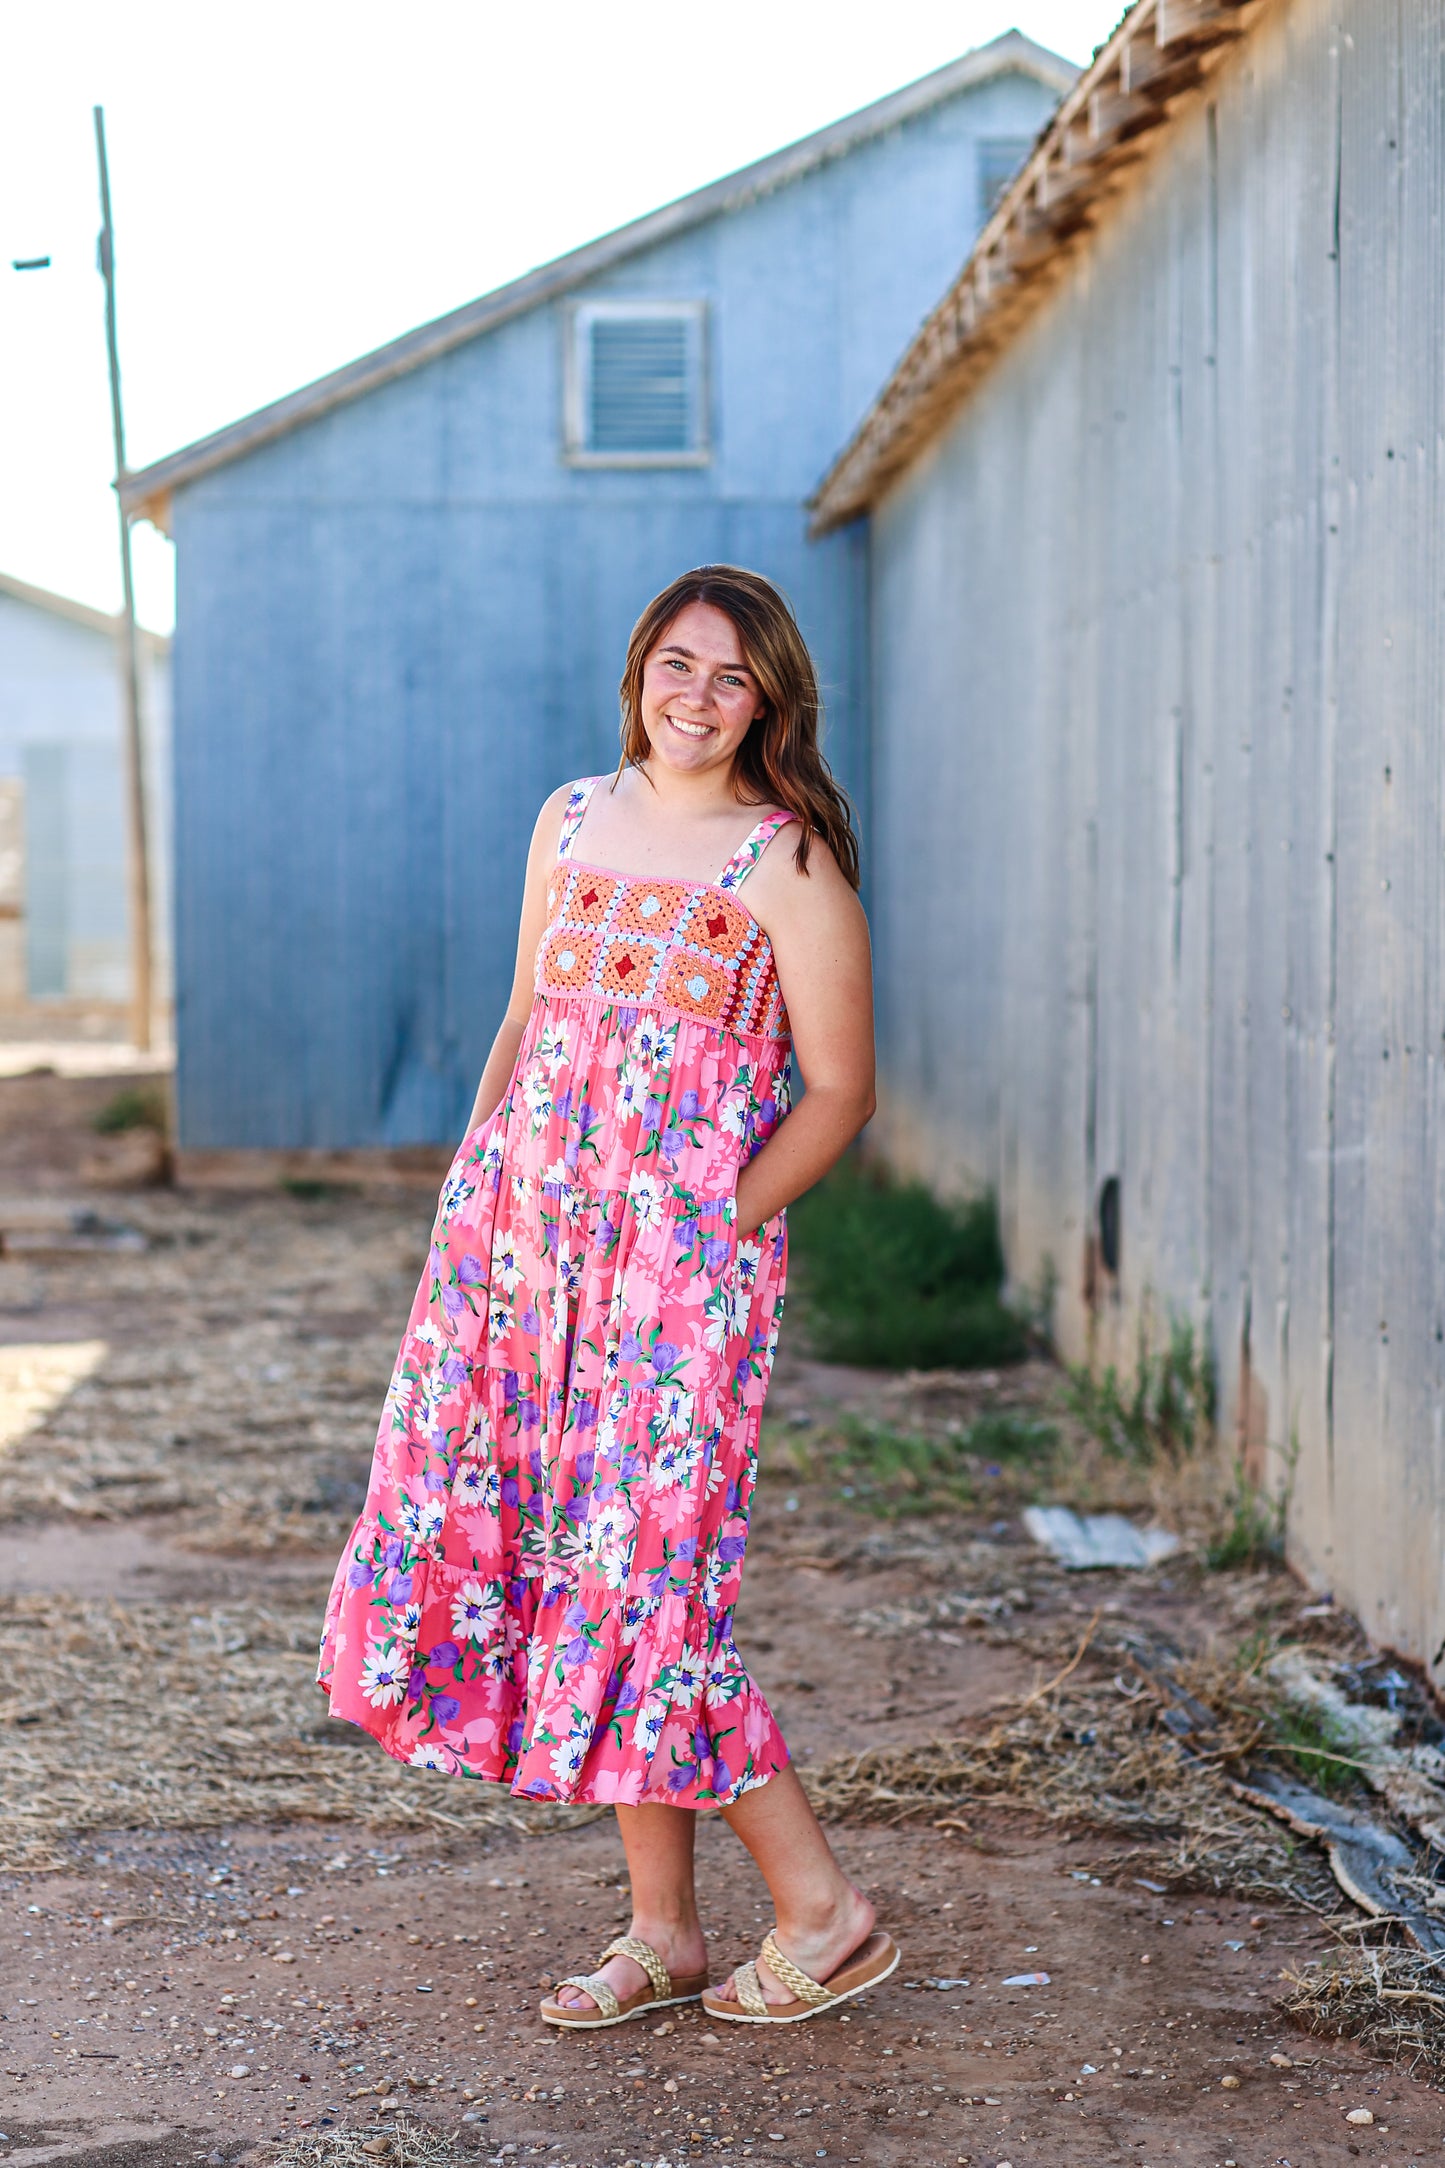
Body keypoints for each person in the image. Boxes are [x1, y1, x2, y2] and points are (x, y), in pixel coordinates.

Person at [318, 564, 895, 2028]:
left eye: (732, 679)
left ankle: (824, 1912)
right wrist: (471, 1193)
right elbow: (527, 1018)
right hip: (522, 1259)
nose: (697, 699)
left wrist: (708, 1232)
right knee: (570, 1572)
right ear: (639, 668)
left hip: (677, 1284)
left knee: (649, 1588)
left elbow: (839, 1093)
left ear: (769, 702)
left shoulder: (787, 859)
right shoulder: (569, 817)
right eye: (677, 666)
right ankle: (664, 1933)